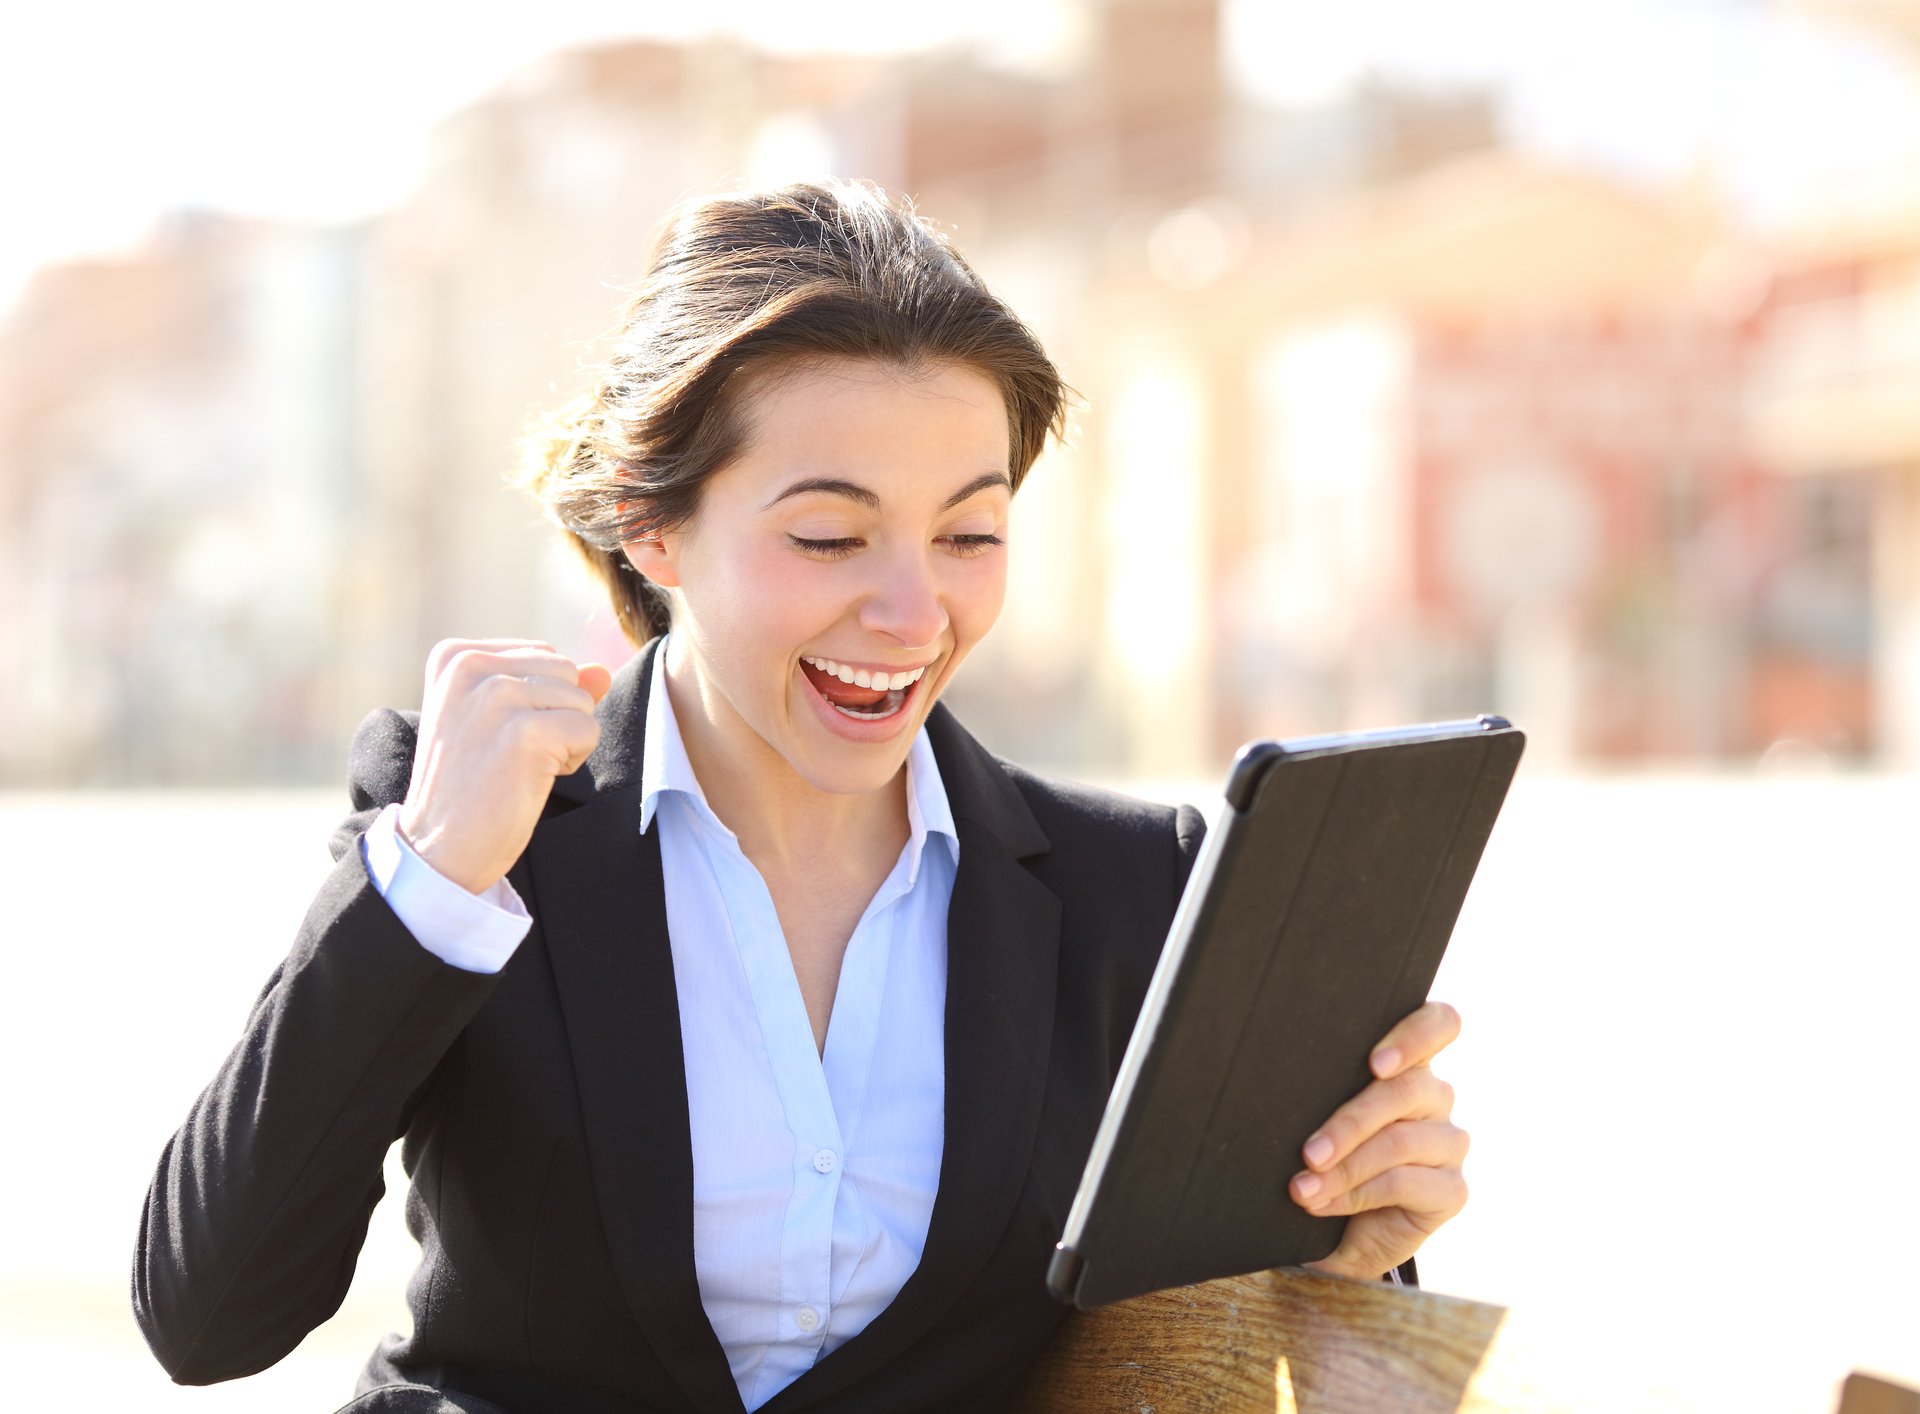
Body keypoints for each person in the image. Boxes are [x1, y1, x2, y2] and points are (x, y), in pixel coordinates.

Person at [133, 181, 1469, 1414]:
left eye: (968, 534)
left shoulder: (1142, 890)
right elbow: (210, 1316)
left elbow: (1253, 1362)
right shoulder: (482, 832)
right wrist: (429, 878)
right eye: (828, 535)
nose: (909, 612)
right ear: (651, 526)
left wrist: (1356, 1247)